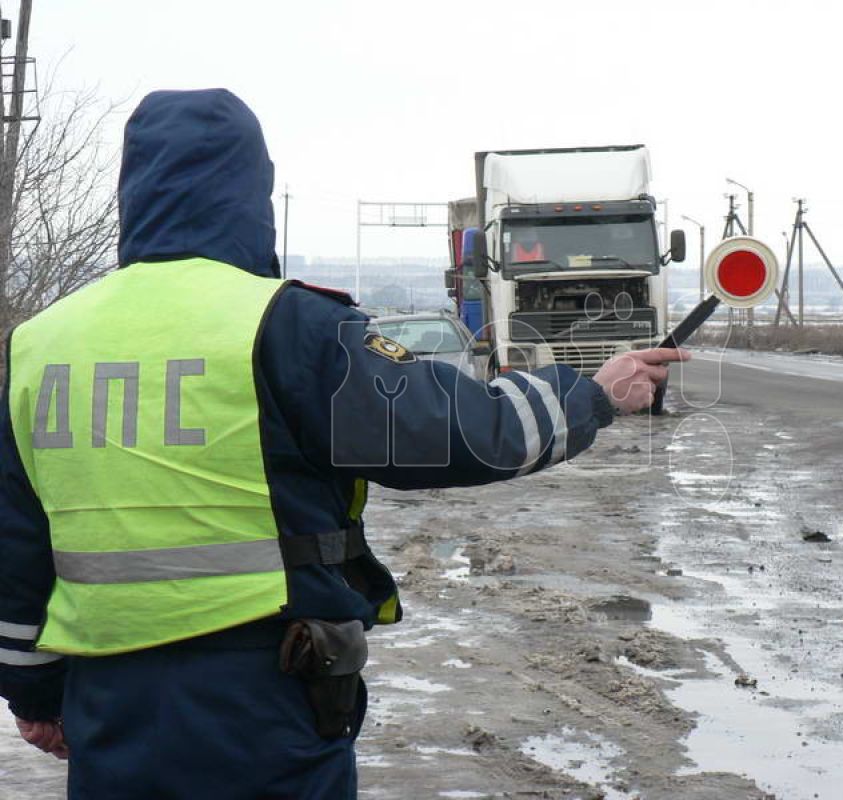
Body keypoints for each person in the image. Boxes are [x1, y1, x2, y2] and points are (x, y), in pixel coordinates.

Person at [0, 89, 687, 799]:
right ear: (250, 194)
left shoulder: (42, 342)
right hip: (262, 696)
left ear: (132, 188)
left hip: (109, 701)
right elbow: (454, 430)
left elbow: (16, 544)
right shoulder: (286, 324)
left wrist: (33, 694)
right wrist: (591, 395)